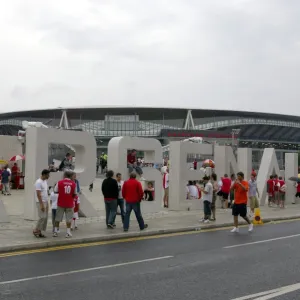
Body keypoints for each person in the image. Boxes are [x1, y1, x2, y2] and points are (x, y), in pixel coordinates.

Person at [53, 170, 77, 238]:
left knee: (58, 218)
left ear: (64, 175)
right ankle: (68, 232)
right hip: (69, 203)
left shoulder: (59, 182)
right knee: (69, 219)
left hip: (61, 203)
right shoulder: (73, 184)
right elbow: (75, 194)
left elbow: (55, 191)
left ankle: (55, 231)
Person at [33, 169, 50, 238]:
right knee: (42, 217)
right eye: (48, 175)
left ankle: (39, 232)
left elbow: (45, 192)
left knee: (45, 218)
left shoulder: (45, 181)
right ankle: (36, 230)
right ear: (44, 175)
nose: (49, 176)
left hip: (46, 201)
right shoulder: (38, 182)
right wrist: (41, 204)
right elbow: (38, 194)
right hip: (41, 202)